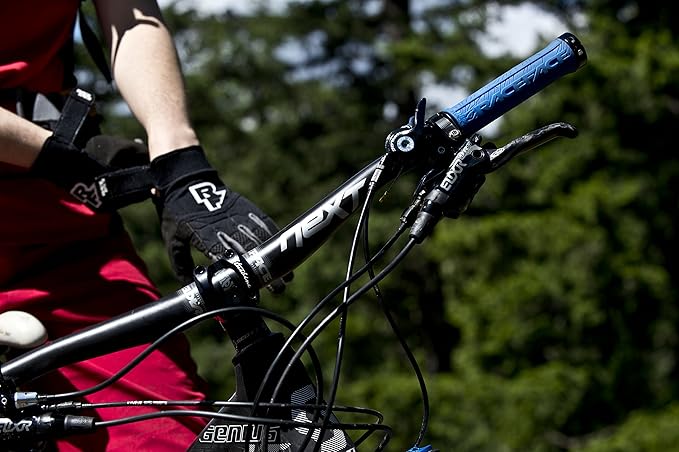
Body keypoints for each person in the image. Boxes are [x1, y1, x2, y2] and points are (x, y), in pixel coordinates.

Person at [0, 0, 280, 450]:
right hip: (55, 183)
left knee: (165, 433)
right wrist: (57, 156)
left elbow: (130, 15)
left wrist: (180, 163)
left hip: (69, 247)